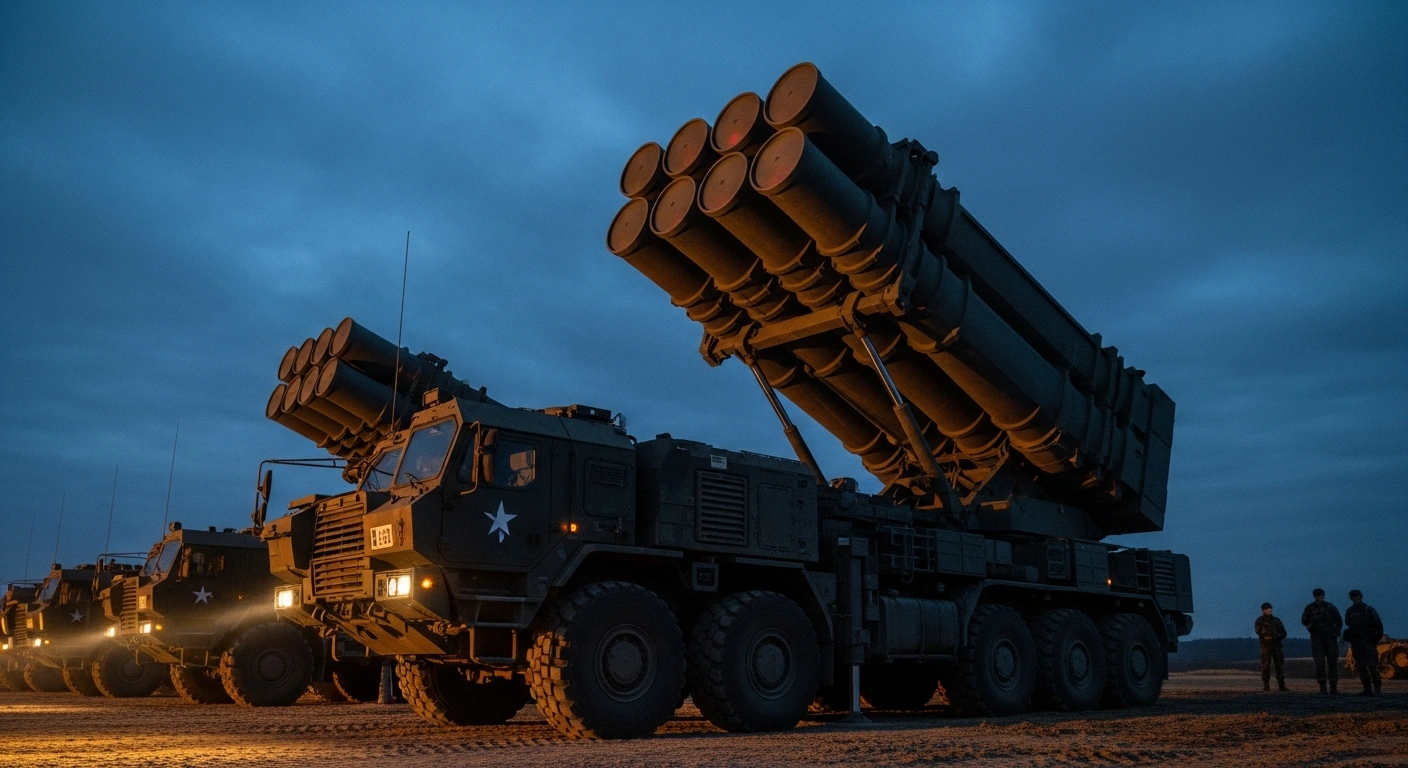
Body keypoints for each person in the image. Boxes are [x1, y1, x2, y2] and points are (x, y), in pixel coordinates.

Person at [1302, 587, 1343, 694]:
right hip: (1317, 639)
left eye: (1320, 595)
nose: (1319, 597)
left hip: (1330, 639)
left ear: (1323, 596)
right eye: (1317, 595)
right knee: (1320, 664)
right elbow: (1304, 620)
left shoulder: (1330, 607)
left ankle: (1333, 688)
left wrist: (1335, 633)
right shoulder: (1310, 608)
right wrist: (1311, 627)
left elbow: (1339, 621)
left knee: (1332, 663)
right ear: (1314, 596)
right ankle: (1323, 688)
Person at [1343, 589, 1384, 696]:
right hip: (1356, 642)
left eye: (1357, 597)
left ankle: (1377, 689)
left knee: (1372, 666)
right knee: (1361, 667)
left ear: (1361, 597)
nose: (1356, 599)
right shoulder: (1350, 611)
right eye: (1353, 597)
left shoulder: (1369, 610)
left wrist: (1373, 640)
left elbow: (1379, 626)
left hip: (1368, 642)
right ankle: (1367, 689)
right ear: (1351, 598)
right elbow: (1348, 624)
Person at [1255, 602, 1288, 691]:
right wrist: (1267, 638)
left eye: (1270, 609)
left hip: (1276, 646)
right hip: (1266, 647)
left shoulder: (1276, 620)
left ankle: (1281, 686)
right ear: (1263, 610)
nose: (1269, 610)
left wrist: (1277, 638)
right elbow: (1258, 632)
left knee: (1279, 666)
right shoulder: (1260, 621)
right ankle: (1266, 686)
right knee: (1266, 666)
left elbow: (1284, 632)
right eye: (1267, 609)